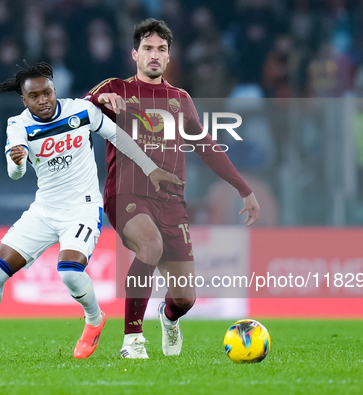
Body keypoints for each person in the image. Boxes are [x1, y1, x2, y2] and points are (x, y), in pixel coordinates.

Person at [0, 62, 183, 360]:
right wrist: (19, 161)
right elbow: (14, 174)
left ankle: (94, 319)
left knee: (69, 273)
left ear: (55, 90)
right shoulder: (18, 125)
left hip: (82, 208)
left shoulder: (80, 111)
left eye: (47, 93)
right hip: (44, 211)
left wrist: (151, 169)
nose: (43, 100)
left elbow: (119, 137)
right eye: (34, 96)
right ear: (24, 100)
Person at [84, 19, 260, 359]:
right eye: (147, 49)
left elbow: (207, 147)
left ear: (168, 57)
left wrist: (244, 189)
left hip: (171, 202)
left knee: (185, 298)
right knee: (149, 245)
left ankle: (168, 318)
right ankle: (132, 340)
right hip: (126, 194)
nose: (154, 55)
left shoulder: (180, 100)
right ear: (134, 54)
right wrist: (98, 101)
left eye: (161, 50)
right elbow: (73, 114)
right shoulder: (115, 88)